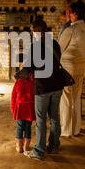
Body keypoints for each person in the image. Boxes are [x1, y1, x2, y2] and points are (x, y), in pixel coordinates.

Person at [23, 19, 65, 160]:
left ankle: (39, 151)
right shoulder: (54, 43)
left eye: (32, 31)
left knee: (41, 119)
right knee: (54, 117)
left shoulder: (35, 47)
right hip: (58, 85)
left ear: (36, 31)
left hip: (43, 87)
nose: (32, 34)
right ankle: (54, 145)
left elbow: (28, 68)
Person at [59, 1, 85, 137]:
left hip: (68, 67)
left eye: (69, 12)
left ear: (75, 14)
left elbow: (58, 49)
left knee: (66, 98)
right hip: (81, 66)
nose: (68, 15)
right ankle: (76, 129)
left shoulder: (70, 30)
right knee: (77, 97)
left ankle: (66, 130)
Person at [11, 68, 35, 153]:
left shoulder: (18, 82)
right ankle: (26, 146)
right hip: (29, 108)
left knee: (20, 127)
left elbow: (13, 96)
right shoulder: (33, 82)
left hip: (20, 108)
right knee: (28, 127)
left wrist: (13, 108)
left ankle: (19, 147)